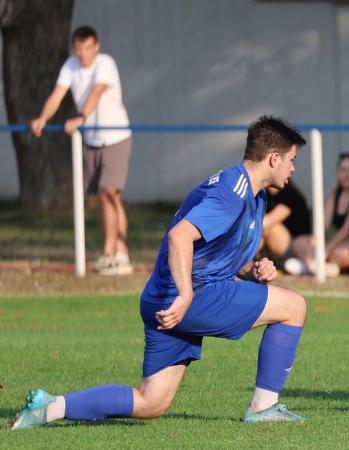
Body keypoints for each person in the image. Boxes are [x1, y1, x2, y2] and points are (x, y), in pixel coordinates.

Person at [10, 116, 309, 429]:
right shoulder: (231, 194)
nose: (292, 168)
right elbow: (180, 237)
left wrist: (253, 270)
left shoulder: (253, 195)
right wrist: (186, 294)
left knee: (151, 402)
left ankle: (50, 407)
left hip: (164, 298)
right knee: (293, 306)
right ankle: (264, 407)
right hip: (189, 295)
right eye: (291, 160)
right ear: (274, 158)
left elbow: (215, 254)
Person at [30, 25, 133, 276]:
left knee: (110, 192)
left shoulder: (105, 63)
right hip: (91, 140)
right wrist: (43, 117)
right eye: (78, 49)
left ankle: (116, 253)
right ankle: (115, 253)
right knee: (104, 196)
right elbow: (58, 94)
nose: (83, 54)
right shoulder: (70, 66)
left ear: (96, 47)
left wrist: (80, 116)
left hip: (116, 136)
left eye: (87, 48)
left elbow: (97, 91)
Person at [260, 183, 311, 266]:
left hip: (293, 246)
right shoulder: (263, 194)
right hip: (272, 250)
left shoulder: (290, 195)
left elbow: (266, 222)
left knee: (270, 227)